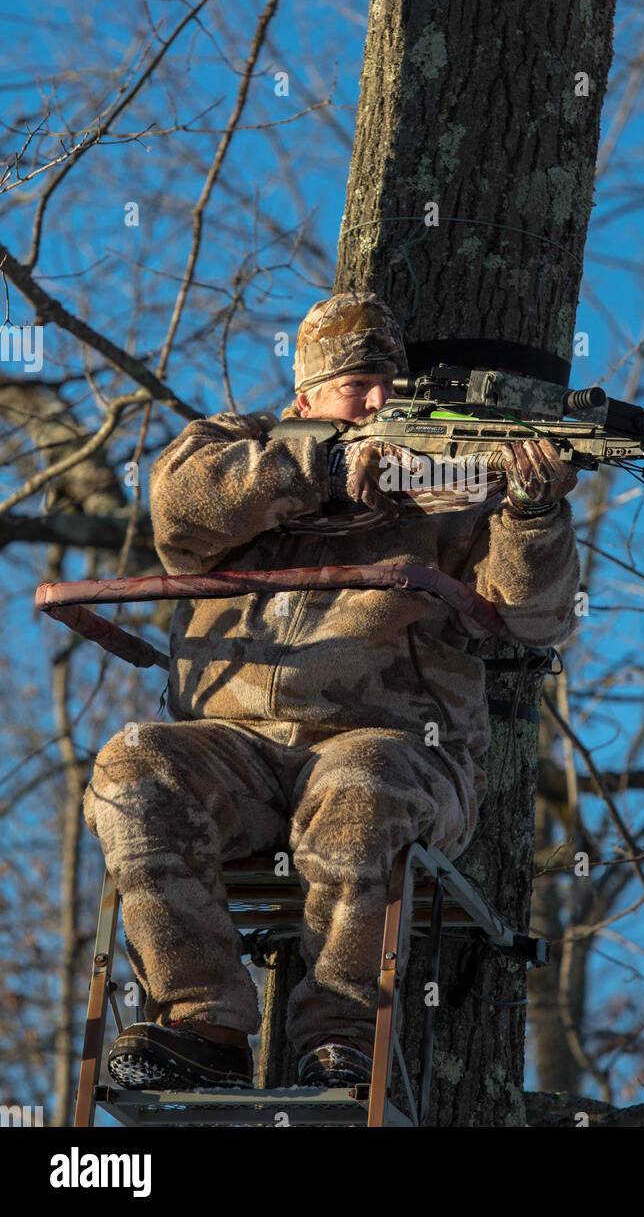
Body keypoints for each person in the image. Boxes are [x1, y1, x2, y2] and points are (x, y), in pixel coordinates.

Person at [83, 290, 581, 1091]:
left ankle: (340, 1041)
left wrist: (533, 512)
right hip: (237, 754)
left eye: (390, 386)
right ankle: (202, 1024)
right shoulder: (233, 447)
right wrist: (327, 469)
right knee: (132, 765)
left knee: (361, 783)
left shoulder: (449, 492)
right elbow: (181, 507)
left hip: (401, 755)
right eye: (356, 387)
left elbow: (535, 618)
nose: (378, 402)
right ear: (306, 399)